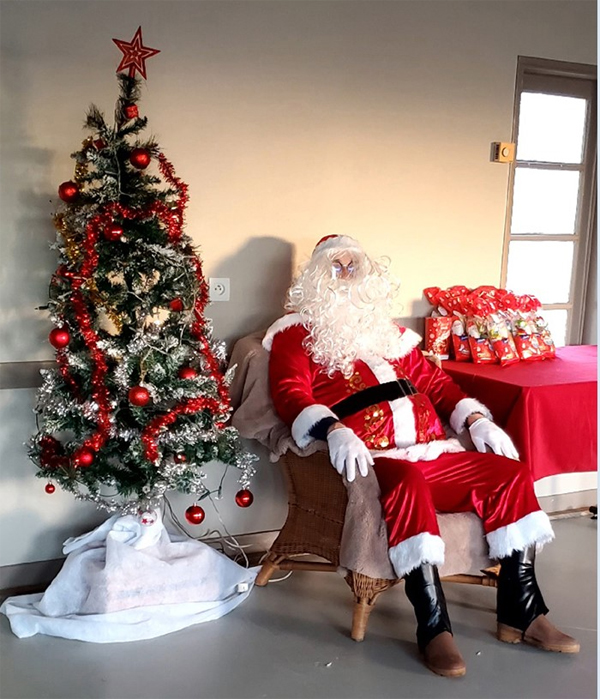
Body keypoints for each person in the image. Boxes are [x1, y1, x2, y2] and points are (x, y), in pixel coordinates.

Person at [263, 234, 579, 678]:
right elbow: (290, 393)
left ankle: (522, 612)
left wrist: (475, 420)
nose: (346, 275)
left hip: (435, 451)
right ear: (317, 277)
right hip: (374, 458)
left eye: (354, 266)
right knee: (409, 485)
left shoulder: (388, 333)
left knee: (509, 474)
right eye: (336, 266)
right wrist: (333, 430)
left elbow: (437, 385)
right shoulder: (295, 333)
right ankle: (433, 628)